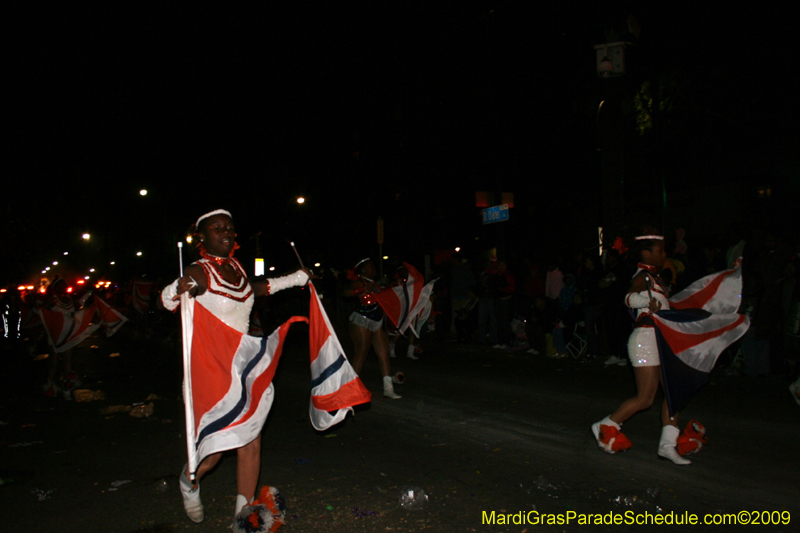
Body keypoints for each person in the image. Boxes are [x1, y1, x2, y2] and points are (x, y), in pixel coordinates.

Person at [160, 209, 311, 524]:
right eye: (216, 228)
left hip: (243, 367)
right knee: (215, 452)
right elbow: (167, 300)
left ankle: (244, 516)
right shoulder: (199, 270)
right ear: (201, 237)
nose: (226, 232)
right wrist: (177, 289)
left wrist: (297, 278)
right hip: (212, 371)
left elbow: (257, 289)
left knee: (250, 440)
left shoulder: (236, 268)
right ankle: (189, 482)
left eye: (229, 227)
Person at [591, 227, 691, 466]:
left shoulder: (656, 277)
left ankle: (667, 446)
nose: (664, 254)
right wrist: (648, 301)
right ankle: (606, 425)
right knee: (645, 399)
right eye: (660, 250)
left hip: (660, 341)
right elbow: (629, 298)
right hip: (646, 340)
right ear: (646, 253)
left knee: (674, 395)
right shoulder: (643, 276)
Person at [342, 258, 401, 399]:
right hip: (362, 321)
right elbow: (345, 293)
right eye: (371, 267)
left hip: (377, 321)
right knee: (361, 354)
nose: (374, 269)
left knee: (383, 353)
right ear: (363, 270)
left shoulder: (372, 283)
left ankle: (388, 388)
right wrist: (359, 290)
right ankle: (350, 388)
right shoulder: (359, 282)